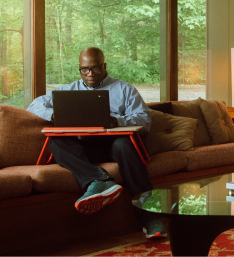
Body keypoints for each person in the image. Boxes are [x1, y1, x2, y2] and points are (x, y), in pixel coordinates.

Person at [27, 47, 167, 240]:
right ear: (79, 69)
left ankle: (150, 219)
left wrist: (117, 121)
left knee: (124, 145)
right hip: (83, 148)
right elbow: (34, 104)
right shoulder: (69, 90)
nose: (90, 74)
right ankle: (99, 181)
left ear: (104, 66)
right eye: (84, 69)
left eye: (95, 69)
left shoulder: (124, 89)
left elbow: (144, 119)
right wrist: (53, 114)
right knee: (57, 142)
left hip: (114, 145)